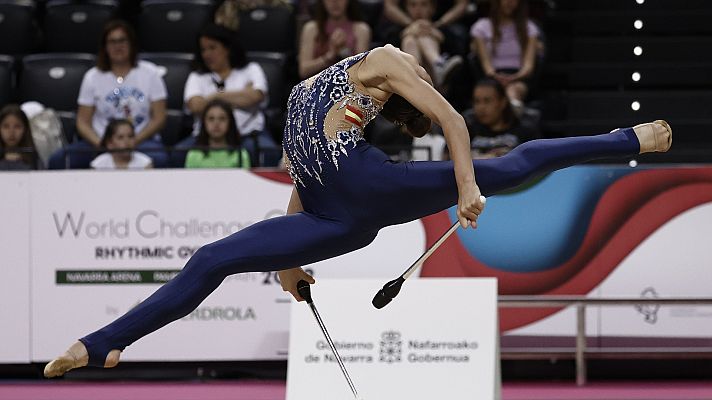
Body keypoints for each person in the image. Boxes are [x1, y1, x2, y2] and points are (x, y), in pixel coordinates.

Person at [44, 45, 671, 377]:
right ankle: (102, 345)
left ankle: (626, 140)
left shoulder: (388, 62)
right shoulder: (370, 66)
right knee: (210, 259)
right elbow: (298, 181)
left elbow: (453, 121)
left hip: (362, 185)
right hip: (329, 215)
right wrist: (291, 262)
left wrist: (465, 188)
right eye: (421, 75)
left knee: (505, 167)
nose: (421, 73)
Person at [47, 19, 168, 169]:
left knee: (160, 159)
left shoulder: (150, 73)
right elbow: (83, 122)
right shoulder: (92, 77)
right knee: (59, 159)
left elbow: (160, 118)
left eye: (122, 40)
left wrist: (131, 142)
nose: (118, 46)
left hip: (141, 141)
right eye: (112, 42)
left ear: (132, 43)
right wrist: (102, 144)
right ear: (105, 47)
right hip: (101, 142)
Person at [178, 24, 278, 166]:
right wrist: (238, 95)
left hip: (248, 134)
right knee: (179, 152)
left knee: (266, 150)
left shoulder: (251, 69)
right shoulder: (197, 76)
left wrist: (213, 98)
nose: (206, 54)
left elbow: (255, 96)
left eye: (212, 48)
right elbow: (196, 106)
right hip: (207, 138)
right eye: (203, 50)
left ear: (227, 49)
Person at [383, 0, 468, 90]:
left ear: (432, 8)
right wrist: (407, 32)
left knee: (423, 37)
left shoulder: (445, 31)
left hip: (437, 83)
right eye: (413, 5)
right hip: (407, 78)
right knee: (410, 40)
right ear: (406, 8)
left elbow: (458, 55)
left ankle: (432, 68)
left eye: (424, 4)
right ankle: (438, 64)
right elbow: (387, 50)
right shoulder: (396, 32)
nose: (418, 10)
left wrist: (437, 35)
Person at [470, 0, 540, 106]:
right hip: (492, 76)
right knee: (491, 93)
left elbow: (528, 66)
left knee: (514, 90)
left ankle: (514, 109)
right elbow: (486, 65)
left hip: (519, 77)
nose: (510, 2)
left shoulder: (530, 28)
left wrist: (514, 78)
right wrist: (497, 77)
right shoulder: (481, 27)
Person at [464, 78, 538, 158]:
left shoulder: (524, 129)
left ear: (503, 102)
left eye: (487, 101)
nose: (481, 108)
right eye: (477, 101)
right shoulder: (468, 129)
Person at [298, 0, 371, 79]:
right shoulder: (311, 29)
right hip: (316, 85)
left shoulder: (361, 29)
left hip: (350, 85)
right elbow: (303, 71)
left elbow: (362, 72)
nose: (335, 2)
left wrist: (343, 51)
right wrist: (330, 55)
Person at [185, 99, 251, 169]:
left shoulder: (240, 154)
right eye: (211, 119)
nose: (216, 124)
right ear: (204, 123)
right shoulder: (194, 154)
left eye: (222, 118)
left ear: (230, 122)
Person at [0, 104, 39, 170]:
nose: (11, 132)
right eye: (6, 126)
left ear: (25, 129)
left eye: (17, 126)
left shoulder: (34, 159)